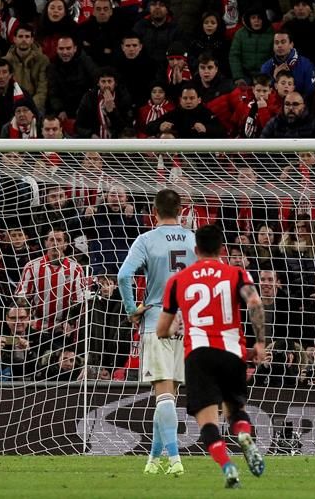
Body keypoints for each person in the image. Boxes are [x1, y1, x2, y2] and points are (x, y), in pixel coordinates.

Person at [156, 224, 266, 488]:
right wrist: (260, 342)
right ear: (222, 249)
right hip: (232, 352)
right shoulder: (237, 273)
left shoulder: (178, 280)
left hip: (198, 355)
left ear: (196, 251)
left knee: (207, 422)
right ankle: (244, 437)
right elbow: (255, 303)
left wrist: (173, 328)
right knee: (236, 412)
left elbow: (162, 330)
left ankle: (228, 467)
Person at [116, 188, 196, 476]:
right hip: (189, 326)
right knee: (170, 396)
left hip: (157, 323)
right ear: (180, 209)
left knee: (162, 394)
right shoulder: (193, 240)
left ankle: (174, 460)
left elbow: (124, 275)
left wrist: (130, 309)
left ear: (155, 210)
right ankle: (153, 461)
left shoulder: (147, 240)